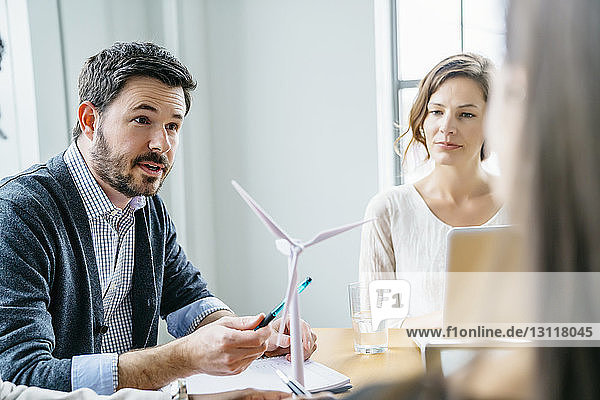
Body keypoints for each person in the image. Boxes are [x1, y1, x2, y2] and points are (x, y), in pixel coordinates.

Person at [0, 41, 316, 396]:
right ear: (90, 121)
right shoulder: (18, 212)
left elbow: (188, 300)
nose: (161, 144)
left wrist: (250, 332)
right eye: (142, 120)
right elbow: (20, 374)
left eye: (173, 126)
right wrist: (183, 358)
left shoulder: (146, 206)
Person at [358, 53, 508, 324]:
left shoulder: (527, 205)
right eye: (437, 111)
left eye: (466, 114)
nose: (446, 127)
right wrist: (453, 320)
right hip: (419, 367)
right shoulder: (388, 210)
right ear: (423, 120)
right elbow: (378, 325)